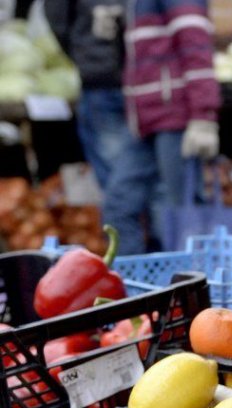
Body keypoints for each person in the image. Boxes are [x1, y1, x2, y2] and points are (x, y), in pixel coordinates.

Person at [46, 0, 157, 254]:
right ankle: (138, 267)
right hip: (109, 80)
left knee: (121, 194)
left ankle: (136, 269)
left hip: (130, 84)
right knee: (127, 191)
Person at [125, 0, 221, 247]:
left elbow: (196, 48)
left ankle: (195, 279)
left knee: (183, 213)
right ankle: (131, 282)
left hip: (174, 116)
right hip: (146, 120)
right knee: (121, 204)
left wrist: (203, 116)